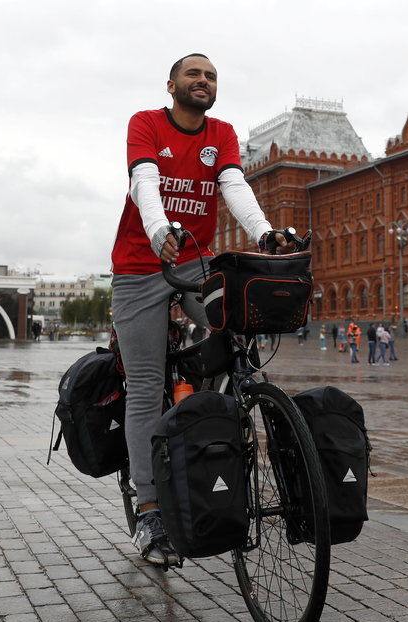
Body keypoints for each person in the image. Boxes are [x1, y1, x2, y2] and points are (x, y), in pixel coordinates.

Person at [108, 53, 294, 567]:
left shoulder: (223, 132)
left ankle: (204, 415)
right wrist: (158, 231)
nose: (204, 81)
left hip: (195, 262)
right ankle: (149, 511)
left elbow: (233, 185)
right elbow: (143, 181)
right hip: (139, 263)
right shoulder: (145, 123)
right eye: (194, 73)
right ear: (171, 84)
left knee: (237, 339)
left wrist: (263, 233)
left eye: (211, 76)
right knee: (145, 388)